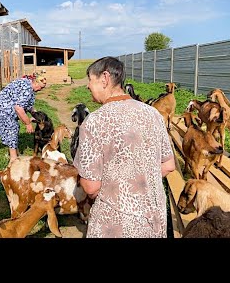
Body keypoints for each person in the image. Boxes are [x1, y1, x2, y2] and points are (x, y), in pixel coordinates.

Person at [73, 56, 176, 238]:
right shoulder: (152, 114)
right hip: (154, 220)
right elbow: (168, 165)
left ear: (104, 78)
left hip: (117, 224)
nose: (88, 86)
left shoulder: (94, 122)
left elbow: (90, 186)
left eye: (90, 79)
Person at [0, 73, 47, 161]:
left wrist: (36, 115)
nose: (40, 90)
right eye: (41, 87)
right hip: (3, 106)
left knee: (12, 128)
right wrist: (28, 123)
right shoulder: (27, 89)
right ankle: (13, 159)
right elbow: (19, 108)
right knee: (12, 128)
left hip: (5, 104)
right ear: (35, 83)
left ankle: (14, 153)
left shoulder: (29, 85)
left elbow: (29, 105)